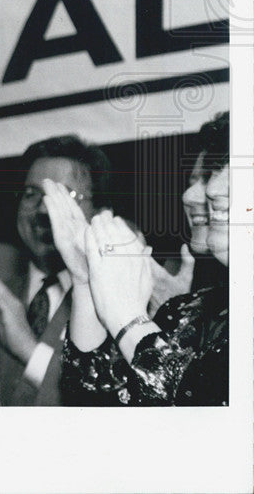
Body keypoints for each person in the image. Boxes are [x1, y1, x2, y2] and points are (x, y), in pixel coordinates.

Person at [57, 112, 229, 405]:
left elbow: (202, 411)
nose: (199, 193)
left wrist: (128, 319)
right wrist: (86, 279)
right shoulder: (188, 310)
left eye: (218, 171)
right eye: (214, 172)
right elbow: (96, 400)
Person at [0, 135, 111, 406]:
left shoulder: (114, 299)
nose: (43, 210)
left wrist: (30, 351)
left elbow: (103, 406)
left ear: (100, 213)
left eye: (64, 197)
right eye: (32, 194)